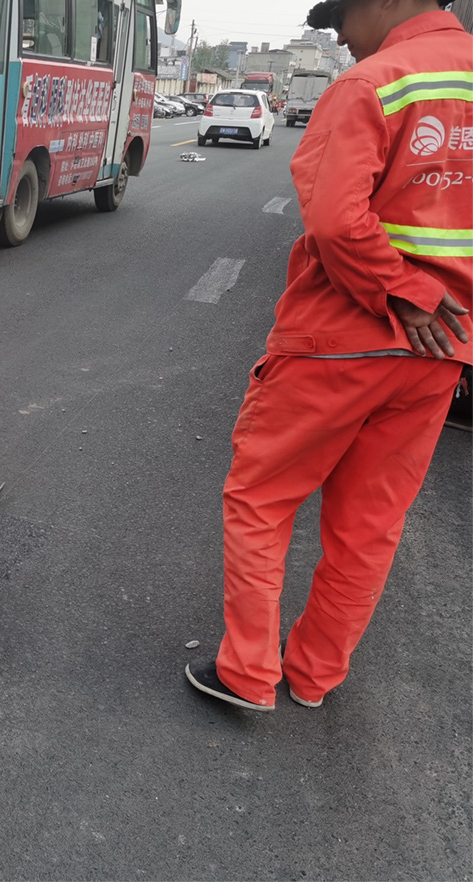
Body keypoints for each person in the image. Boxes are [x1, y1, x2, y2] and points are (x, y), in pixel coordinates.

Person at [185, 0, 472, 712]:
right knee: (370, 525)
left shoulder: (376, 81)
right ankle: (314, 675)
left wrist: (400, 288)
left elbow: (338, 220)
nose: (338, 35)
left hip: (339, 338)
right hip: (439, 351)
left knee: (260, 497)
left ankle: (249, 673)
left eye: (341, 15)